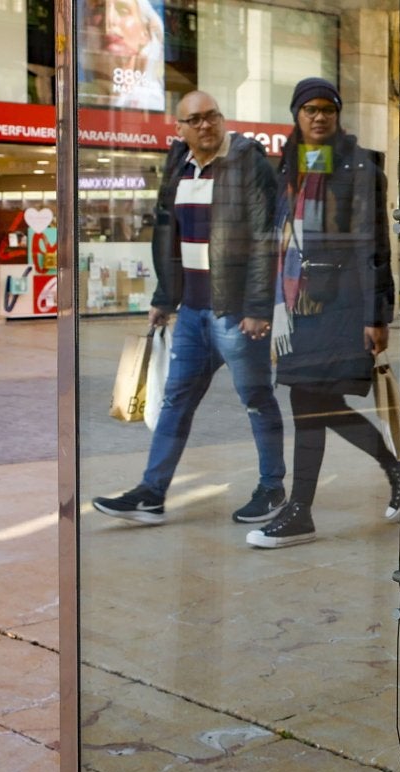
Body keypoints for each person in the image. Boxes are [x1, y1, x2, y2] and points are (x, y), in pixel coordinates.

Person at [94, 90, 287, 527]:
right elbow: (169, 233)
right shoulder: (178, 164)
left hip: (236, 313)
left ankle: (272, 487)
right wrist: (165, 297)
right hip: (193, 314)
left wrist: (258, 307)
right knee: (176, 401)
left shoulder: (247, 161)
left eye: (212, 116)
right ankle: (152, 493)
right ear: (179, 128)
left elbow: (264, 239)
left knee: (257, 399)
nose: (205, 125)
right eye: (194, 119)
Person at [245, 78, 400, 549]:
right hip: (299, 305)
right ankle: (392, 471)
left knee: (311, 404)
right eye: (309, 109)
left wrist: (377, 315)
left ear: (337, 114)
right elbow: (279, 238)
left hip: (341, 303)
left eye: (327, 109)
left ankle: (301, 511)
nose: (318, 117)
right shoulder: (290, 164)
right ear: (296, 114)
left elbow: (375, 244)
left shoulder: (359, 165)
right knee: (315, 404)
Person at [83, 0, 166, 110]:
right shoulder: (79, 96)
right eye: (99, 9)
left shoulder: (151, 102)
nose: (109, 21)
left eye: (123, 11)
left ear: (145, 33)